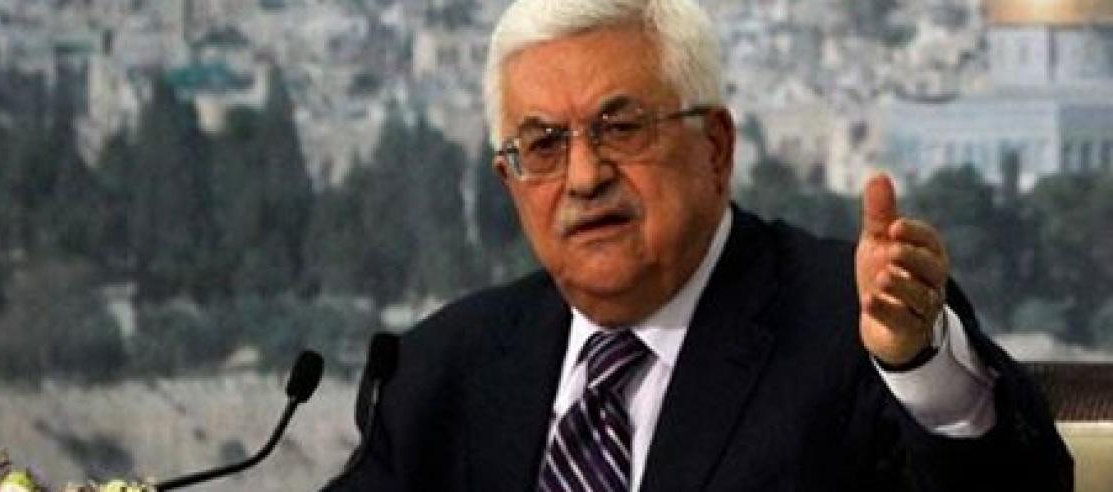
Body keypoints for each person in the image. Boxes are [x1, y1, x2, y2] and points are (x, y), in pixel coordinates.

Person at [328, 0, 1072, 490]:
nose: (584, 176)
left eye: (621, 128)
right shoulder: (440, 369)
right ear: (509, 180)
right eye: (544, 144)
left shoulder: (849, 330)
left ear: (714, 147)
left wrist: (914, 364)